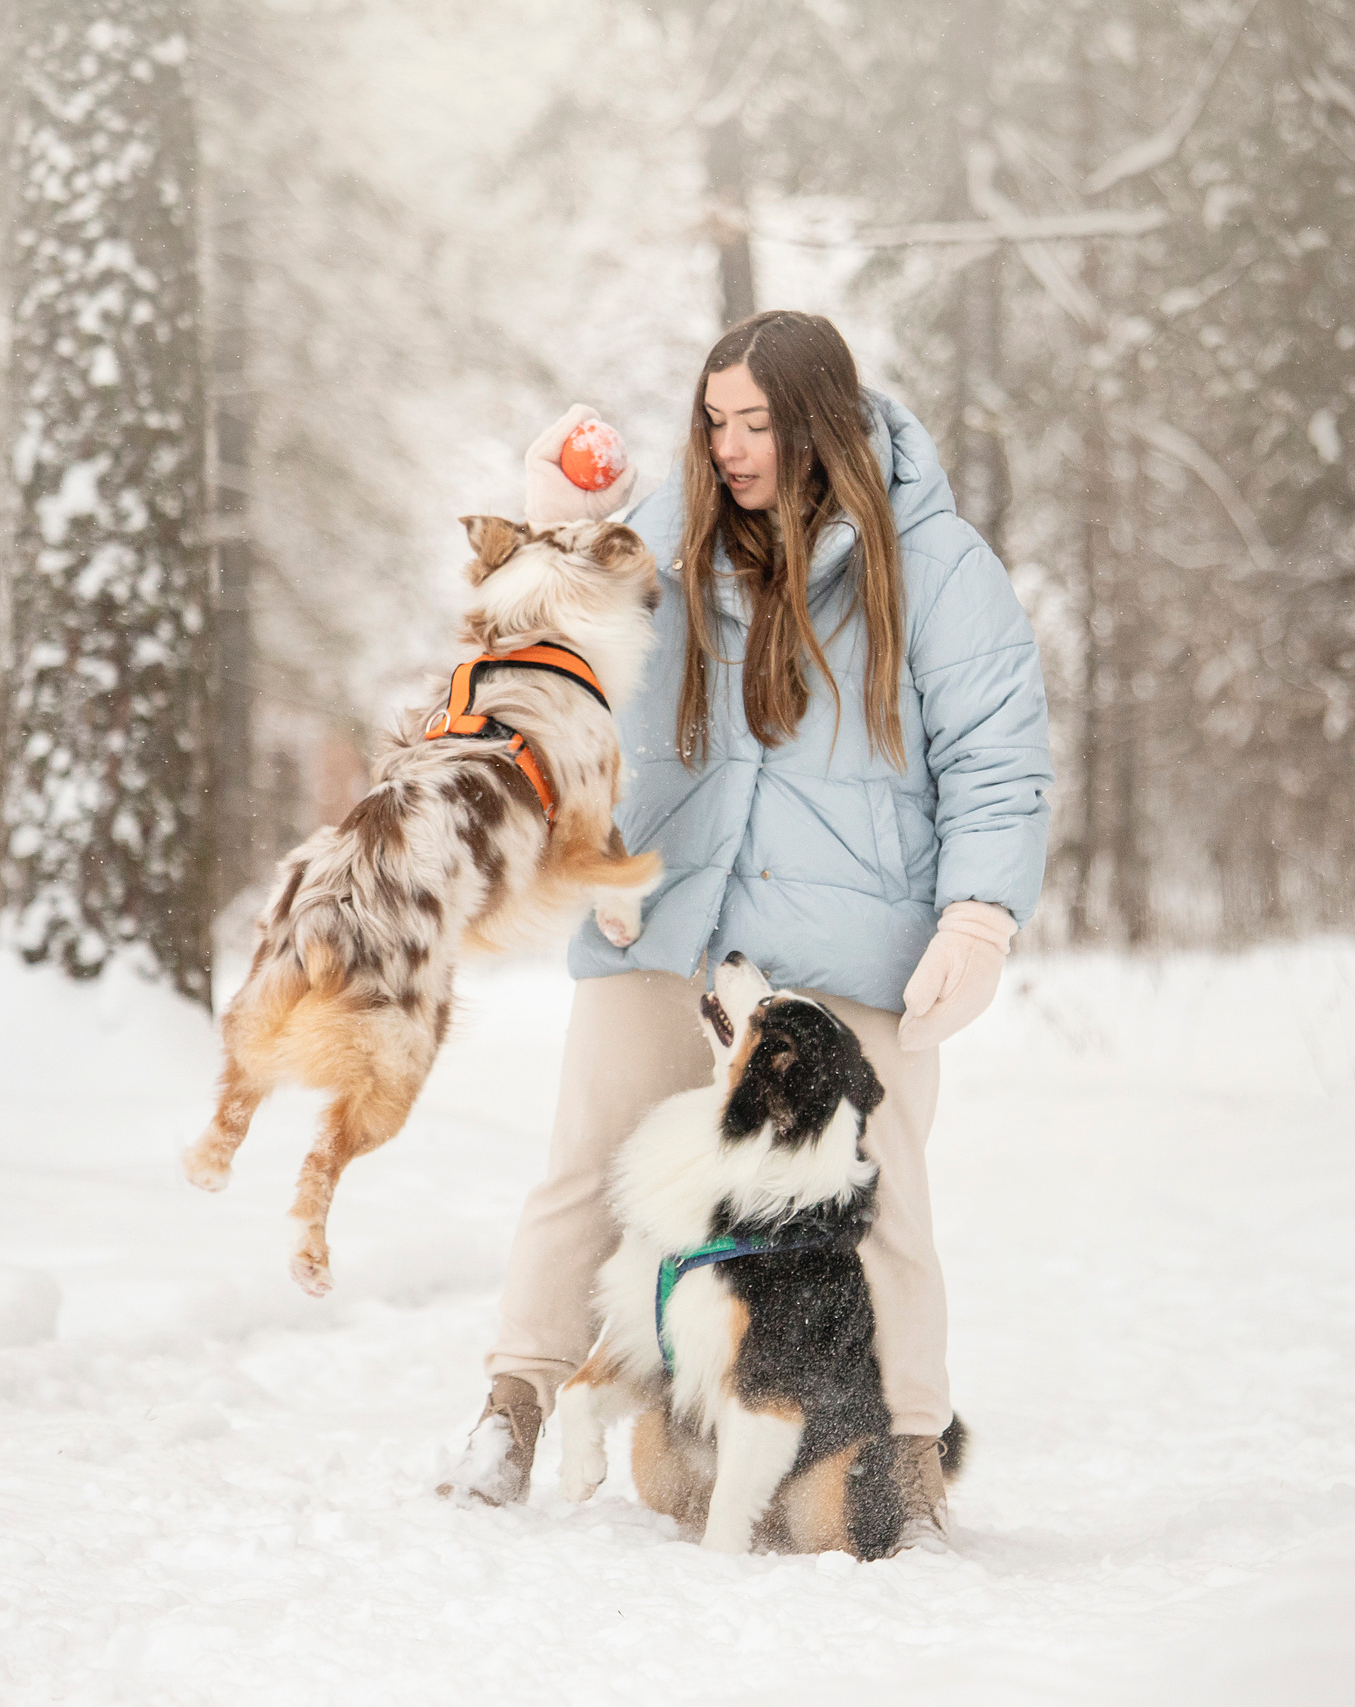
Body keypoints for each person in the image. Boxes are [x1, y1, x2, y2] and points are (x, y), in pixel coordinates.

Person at [441, 310, 1051, 1549]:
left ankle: (910, 1454)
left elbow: (999, 757)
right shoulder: (666, 532)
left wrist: (978, 914)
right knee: (590, 1156)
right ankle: (514, 1400)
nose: (729, 447)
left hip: (854, 934)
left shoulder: (935, 563)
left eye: (757, 423)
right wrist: (553, 528)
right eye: (714, 421)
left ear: (821, 420)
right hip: (666, 904)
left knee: (874, 1199)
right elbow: (563, 653)